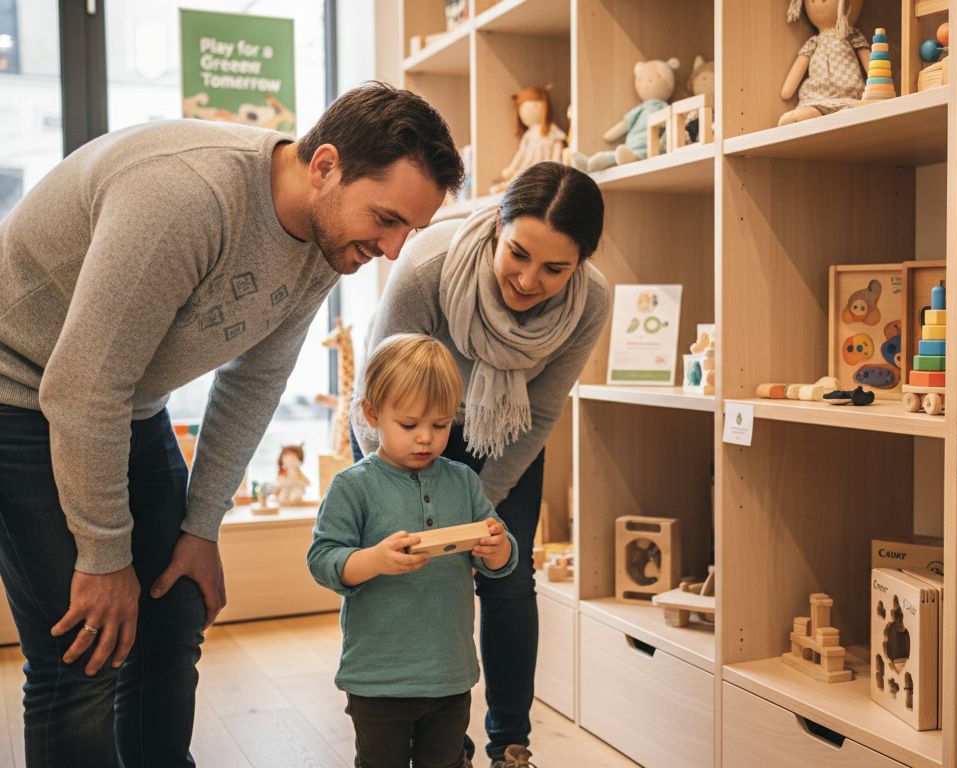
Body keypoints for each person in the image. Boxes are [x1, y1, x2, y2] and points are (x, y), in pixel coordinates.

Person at [0, 81, 462, 767]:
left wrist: (201, 527)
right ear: (325, 166)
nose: (393, 250)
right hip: (18, 394)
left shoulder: (329, 239)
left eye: (410, 232)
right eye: (387, 219)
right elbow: (81, 388)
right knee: (83, 653)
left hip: (124, 401)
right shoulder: (184, 199)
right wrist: (103, 556)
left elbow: (253, 382)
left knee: (175, 612)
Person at [353, 160, 609, 767]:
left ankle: (510, 746)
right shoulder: (428, 266)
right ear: (498, 225)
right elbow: (377, 394)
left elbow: (541, 413)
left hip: (505, 437)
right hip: (405, 433)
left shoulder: (590, 302)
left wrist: (476, 506)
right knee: (423, 580)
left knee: (508, 579)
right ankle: (446, 743)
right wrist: (394, 488)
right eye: (518, 253)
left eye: (555, 269)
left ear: (581, 264)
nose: (528, 279)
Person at [309, 333, 517, 768]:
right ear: (372, 415)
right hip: (378, 679)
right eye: (408, 425)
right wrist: (374, 560)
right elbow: (323, 560)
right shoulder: (353, 487)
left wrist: (496, 548)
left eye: (440, 425)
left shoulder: (462, 481)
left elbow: (498, 558)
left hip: (449, 673)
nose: (425, 439)